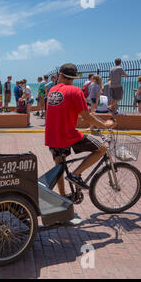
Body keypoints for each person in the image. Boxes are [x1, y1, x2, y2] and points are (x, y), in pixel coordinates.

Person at [45, 63, 115, 197]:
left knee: (59, 167)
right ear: (74, 77)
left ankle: (63, 196)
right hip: (68, 135)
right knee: (101, 149)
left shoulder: (52, 90)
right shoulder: (75, 91)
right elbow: (87, 116)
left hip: (52, 136)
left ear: (60, 75)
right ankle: (75, 175)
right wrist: (105, 125)